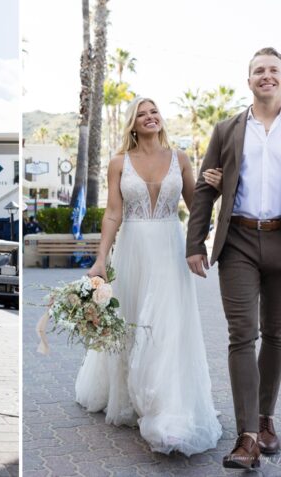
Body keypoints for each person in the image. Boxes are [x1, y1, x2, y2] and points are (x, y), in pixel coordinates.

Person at [186, 47, 281, 470]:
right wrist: (196, 244)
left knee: (275, 333)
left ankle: (267, 418)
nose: (266, 76)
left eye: (273, 71)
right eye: (258, 71)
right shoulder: (226, 130)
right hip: (239, 243)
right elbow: (206, 189)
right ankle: (247, 435)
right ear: (248, 80)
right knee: (240, 336)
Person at [74, 97, 223, 456]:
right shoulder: (118, 163)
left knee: (167, 328)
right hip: (133, 251)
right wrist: (100, 261)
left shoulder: (181, 159)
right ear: (133, 125)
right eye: (142, 114)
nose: (150, 117)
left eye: (154, 111)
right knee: (133, 323)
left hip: (170, 251)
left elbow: (196, 205)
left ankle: (168, 413)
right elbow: (113, 213)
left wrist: (213, 192)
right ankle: (130, 396)